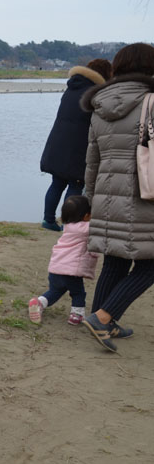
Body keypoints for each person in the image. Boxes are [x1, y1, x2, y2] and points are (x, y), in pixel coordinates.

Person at [79, 42, 154, 352]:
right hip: (144, 195)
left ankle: (101, 322)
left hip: (107, 195)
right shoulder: (151, 101)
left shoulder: (99, 105)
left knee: (116, 258)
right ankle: (103, 317)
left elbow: (92, 160)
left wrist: (89, 198)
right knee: (150, 264)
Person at [38, 59, 112, 231]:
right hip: (78, 146)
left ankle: (48, 220)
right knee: (75, 184)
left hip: (57, 142)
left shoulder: (71, 88)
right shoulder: (94, 93)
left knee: (56, 183)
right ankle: (69, 225)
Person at [28, 195, 98, 325]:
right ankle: (76, 315)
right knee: (78, 293)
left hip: (56, 267)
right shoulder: (85, 228)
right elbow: (98, 227)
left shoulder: (67, 227)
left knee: (55, 291)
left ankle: (39, 302)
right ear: (85, 216)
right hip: (71, 270)